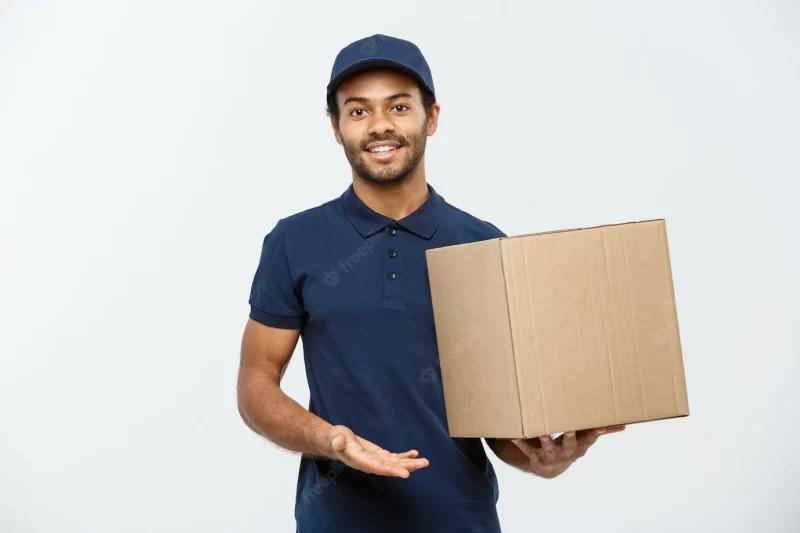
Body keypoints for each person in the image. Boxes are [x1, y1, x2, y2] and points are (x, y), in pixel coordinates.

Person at [237, 33, 625, 533]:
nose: (380, 125)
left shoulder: (484, 245)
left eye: (399, 106)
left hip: (461, 520)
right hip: (336, 522)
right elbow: (255, 381)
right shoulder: (295, 241)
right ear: (336, 127)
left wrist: (540, 460)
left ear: (432, 117)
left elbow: (500, 421)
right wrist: (329, 439)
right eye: (358, 111)